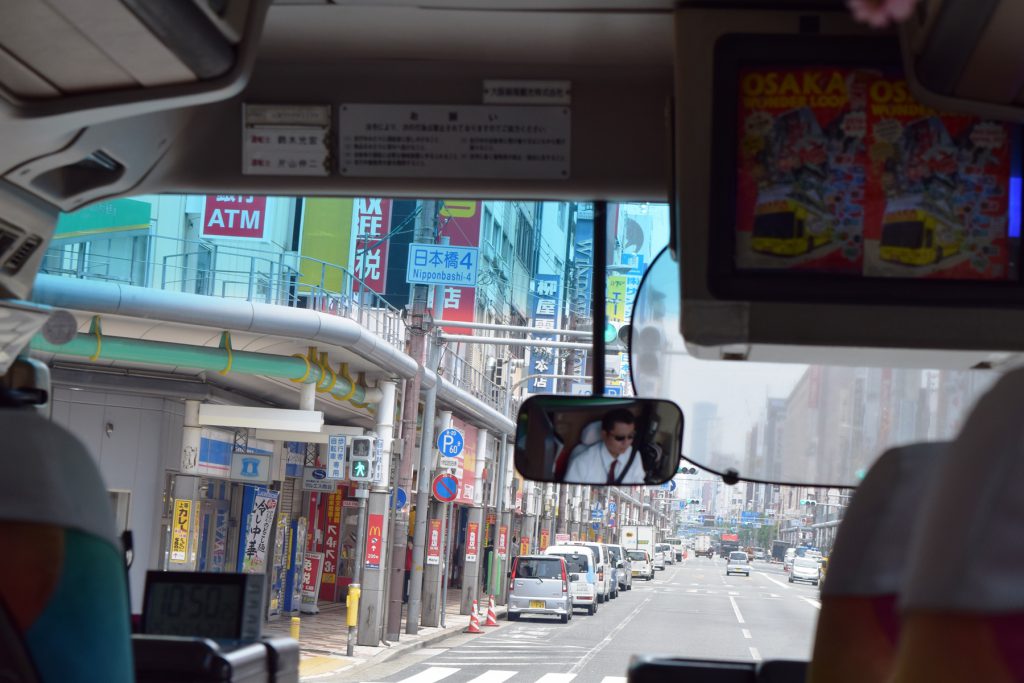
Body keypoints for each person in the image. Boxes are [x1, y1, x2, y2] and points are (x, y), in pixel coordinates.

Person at [563, 408, 646, 485]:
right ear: (604, 435)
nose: (626, 442)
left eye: (631, 436)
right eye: (619, 438)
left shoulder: (634, 456)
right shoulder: (582, 462)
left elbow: (639, 487)